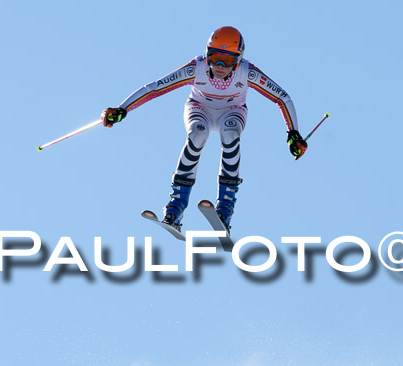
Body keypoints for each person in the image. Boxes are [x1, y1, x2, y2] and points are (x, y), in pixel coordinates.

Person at [101, 26, 307, 232]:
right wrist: (122, 109)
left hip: (232, 111)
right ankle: (176, 206)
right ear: (207, 53)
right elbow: (156, 88)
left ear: (238, 60)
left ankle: (225, 209)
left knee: (231, 134)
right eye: (215, 56)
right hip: (200, 108)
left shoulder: (247, 73)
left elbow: (282, 97)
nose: (219, 66)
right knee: (198, 135)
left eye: (227, 61)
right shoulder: (196, 68)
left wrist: (293, 133)